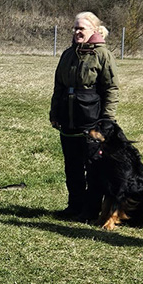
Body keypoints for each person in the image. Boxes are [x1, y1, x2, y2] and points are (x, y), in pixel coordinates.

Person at [49, 11, 119, 219]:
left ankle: (90, 210)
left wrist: (107, 120)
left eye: (81, 28)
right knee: (72, 166)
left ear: (94, 30)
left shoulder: (102, 55)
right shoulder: (67, 54)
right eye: (75, 28)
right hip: (68, 119)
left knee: (93, 167)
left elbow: (111, 89)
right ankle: (74, 206)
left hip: (92, 120)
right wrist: (55, 112)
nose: (77, 32)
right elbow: (59, 86)